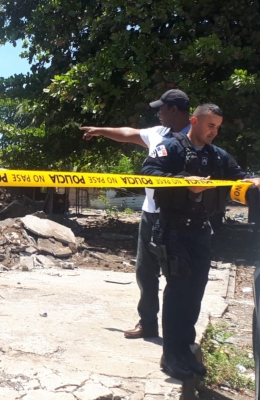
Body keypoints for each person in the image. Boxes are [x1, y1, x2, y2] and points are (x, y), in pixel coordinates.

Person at [141, 103, 260, 380]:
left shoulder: (217, 156)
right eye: (210, 125)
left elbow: (240, 177)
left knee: (195, 293)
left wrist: (254, 181)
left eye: (218, 127)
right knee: (178, 292)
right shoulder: (170, 147)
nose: (214, 132)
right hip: (172, 230)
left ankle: (184, 350)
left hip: (200, 232)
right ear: (194, 122)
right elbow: (147, 173)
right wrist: (184, 181)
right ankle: (171, 355)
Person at [81, 89, 191, 339]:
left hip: (179, 217)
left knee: (177, 274)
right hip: (150, 213)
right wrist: (99, 130)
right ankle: (148, 323)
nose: (158, 113)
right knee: (145, 271)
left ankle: (177, 332)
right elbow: (127, 134)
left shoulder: (195, 138)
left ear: (174, 110)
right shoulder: (158, 134)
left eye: (161, 109)